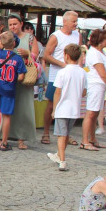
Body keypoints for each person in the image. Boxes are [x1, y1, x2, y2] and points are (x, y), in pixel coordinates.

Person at [41, 10, 80, 145]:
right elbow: (46, 55)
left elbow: (79, 53)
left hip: (72, 75)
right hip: (56, 75)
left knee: (69, 102)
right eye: (73, 21)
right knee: (51, 104)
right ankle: (46, 132)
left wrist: (77, 67)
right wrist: (63, 64)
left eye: (76, 21)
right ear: (65, 22)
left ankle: (66, 134)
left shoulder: (77, 35)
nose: (76, 24)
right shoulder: (56, 36)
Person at [47, 44, 85, 171]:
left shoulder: (62, 72)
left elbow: (58, 92)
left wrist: (54, 109)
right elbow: (84, 92)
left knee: (61, 135)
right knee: (67, 134)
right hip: (75, 109)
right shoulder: (82, 73)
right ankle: (59, 155)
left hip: (62, 109)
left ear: (66, 56)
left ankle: (62, 160)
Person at [0, 30, 26, 151]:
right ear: (14, 43)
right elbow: (21, 77)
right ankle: (4, 142)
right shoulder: (18, 59)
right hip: (9, 90)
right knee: (6, 116)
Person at [7, 15, 39, 150]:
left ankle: (21, 138)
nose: (13, 27)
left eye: (15, 24)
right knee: (7, 108)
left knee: (23, 108)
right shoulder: (7, 37)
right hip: (9, 77)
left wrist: (28, 53)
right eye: (10, 24)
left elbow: (36, 55)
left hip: (25, 78)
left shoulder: (29, 38)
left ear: (21, 23)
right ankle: (5, 136)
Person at [82, 29, 106, 150]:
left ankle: (92, 138)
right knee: (90, 113)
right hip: (96, 84)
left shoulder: (102, 52)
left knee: (95, 113)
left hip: (101, 86)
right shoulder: (94, 53)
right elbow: (102, 73)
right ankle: (85, 140)